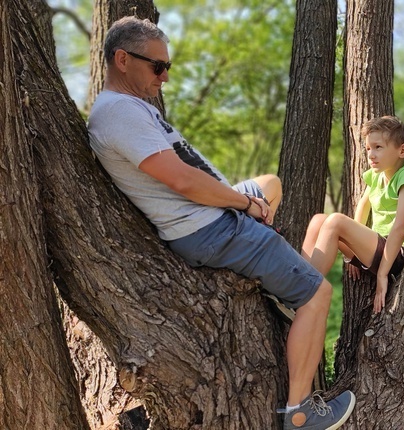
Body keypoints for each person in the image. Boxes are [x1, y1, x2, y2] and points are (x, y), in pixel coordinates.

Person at [87, 16, 354, 430]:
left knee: (271, 183)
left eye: (168, 67)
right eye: (158, 67)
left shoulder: (130, 106)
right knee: (318, 293)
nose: (166, 78)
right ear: (122, 59)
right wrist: (243, 205)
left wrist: (247, 198)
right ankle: (300, 412)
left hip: (213, 213)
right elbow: (181, 180)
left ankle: (282, 282)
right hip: (209, 226)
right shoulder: (118, 111)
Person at [301, 116, 404, 314]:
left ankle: (302, 294)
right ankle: (296, 280)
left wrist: (382, 274)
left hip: (396, 255)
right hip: (374, 248)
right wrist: (353, 246)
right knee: (319, 221)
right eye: (368, 149)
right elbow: (363, 205)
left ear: (402, 150)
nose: (371, 155)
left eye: (378, 147)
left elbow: (400, 227)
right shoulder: (377, 175)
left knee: (335, 221)